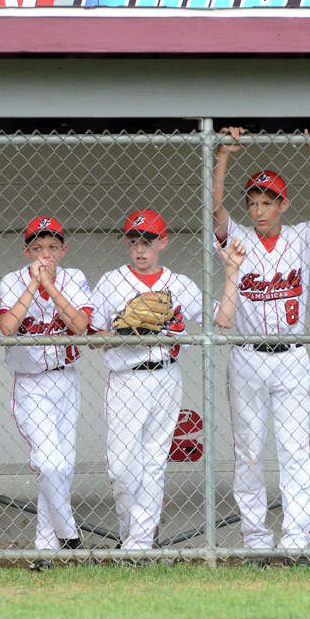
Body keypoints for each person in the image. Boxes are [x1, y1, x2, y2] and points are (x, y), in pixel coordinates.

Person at [210, 126, 310, 567]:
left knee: (292, 451)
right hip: (247, 355)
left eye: (268, 202)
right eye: (254, 202)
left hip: (291, 357)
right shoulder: (239, 239)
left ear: (283, 204)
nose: (259, 209)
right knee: (248, 450)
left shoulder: (301, 236)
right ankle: (255, 540)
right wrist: (224, 156)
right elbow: (213, 210)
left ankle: (296, 541)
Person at [91, 209, 203, 552]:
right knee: (122, 468)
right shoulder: (112, 281)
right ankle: (133, 536)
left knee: (154, 464)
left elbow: (220, 318)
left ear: (163, 243)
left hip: (166, 375)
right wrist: (123, 332)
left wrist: (231, 270)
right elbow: (91, 335)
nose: (141, 249)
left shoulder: (181, 284)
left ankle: (139, 544)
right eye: (135, 241)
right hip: (126, 377)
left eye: (148, 242)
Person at [0, 216, 92, 568]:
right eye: (38, 248)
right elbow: (7, 327)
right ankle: (70, 536)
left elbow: (80, 326)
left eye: (52, 247)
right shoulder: (12, 280)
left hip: (66, 379)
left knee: (61, 469)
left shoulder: (74, 278)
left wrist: (51, 288)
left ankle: (45, 549)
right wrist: (34, 287)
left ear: (63, 250)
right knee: (49, 462)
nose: (45, 255)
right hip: (31, 382)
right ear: (26, 251)